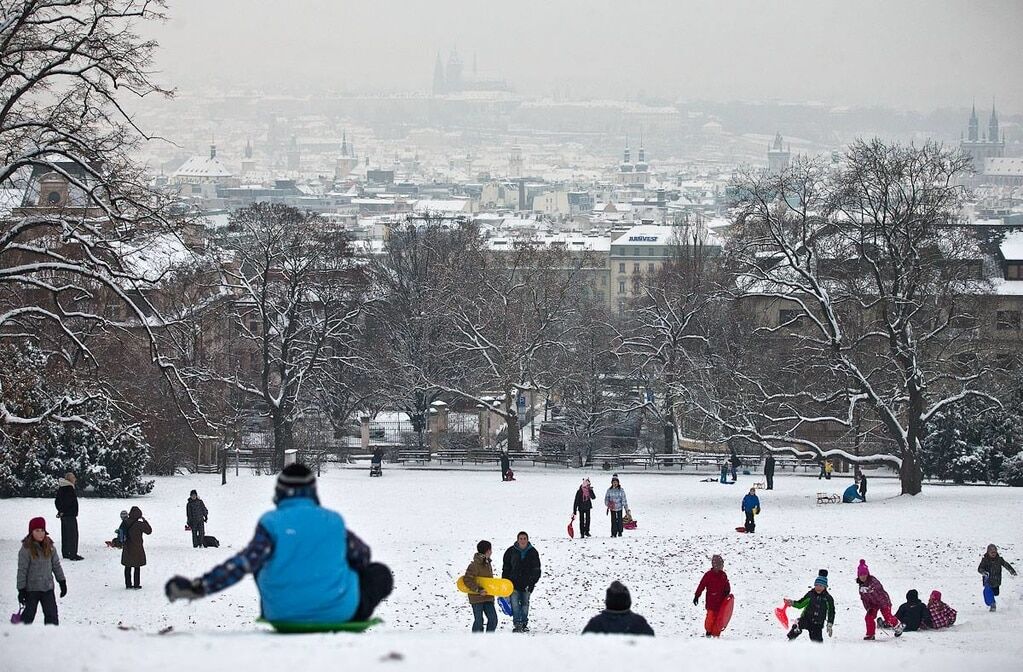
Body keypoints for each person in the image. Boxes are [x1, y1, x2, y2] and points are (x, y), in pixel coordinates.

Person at [165, 464, 393, 630]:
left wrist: (200, 586)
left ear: (280, 493)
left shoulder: (271, 523)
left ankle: (291, 597)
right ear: (313, 492)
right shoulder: (333, 521)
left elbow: (242, 564)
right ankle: (331, 601)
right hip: (341, 612)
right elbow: (362, 556)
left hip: (283, 612)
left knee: (261, 559)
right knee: (378, 572)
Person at [16, 517, 67, 625]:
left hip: (47, 588)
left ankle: (50, 638)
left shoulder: (50, 547)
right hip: (31, 589)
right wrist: (21, 589)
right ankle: (20, 636)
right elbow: (22, 570)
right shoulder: (26, 549)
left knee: (52, 616)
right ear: (31, 532)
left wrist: (62, 582)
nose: (40, 534)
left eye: (42, 530)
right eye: (37, 531)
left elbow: (56, 566)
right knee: (28, 616)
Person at [502, 531, 542, 633]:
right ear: (517, 539)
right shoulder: (510, 551)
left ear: (527, 540)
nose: (523, 540)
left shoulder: (533, 552)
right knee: (515, 604)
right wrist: (505, 582)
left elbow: (537, 569)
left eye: (524, 538)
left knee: (525, 605)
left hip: (526, 584)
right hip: (513, 584)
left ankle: (524, 623)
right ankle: (517, 623)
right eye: (521, 538)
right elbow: (506, 568)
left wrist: (532, 582)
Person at [582, 581, 654, 636]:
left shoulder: (596, 624)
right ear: (628, 601)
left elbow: (583, 648)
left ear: (608, 601)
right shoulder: (639, 623)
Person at [856, 559, 902, 639]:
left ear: (867, 574)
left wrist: (870, 588)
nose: (863, 577)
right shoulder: (861, 587)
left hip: (883, 602)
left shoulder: (873, 581)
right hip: (873, 604)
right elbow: (864, 599)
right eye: (861, 575)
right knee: (869, 617)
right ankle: (870, 634)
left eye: (864, 574)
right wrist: (868, 608)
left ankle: (898, 626)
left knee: (887, 617)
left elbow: (878, 587)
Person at [785, 570, 835, 642]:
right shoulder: (810, 594)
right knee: (798, 625)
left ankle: (819, 651)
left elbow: (831, 612)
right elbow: (800, 604)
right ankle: (789, 641)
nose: (818, 587)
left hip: (818, 623)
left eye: (821, 586)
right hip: (806, 619)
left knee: (817, 642)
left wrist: (830, 623)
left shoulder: (828, 598)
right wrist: (792, 603)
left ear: (825, 586)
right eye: (816, 585)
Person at [465, 540, 498, 633]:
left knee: (493, 619)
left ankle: (488, 641)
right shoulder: (474, 565)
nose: (491, 552)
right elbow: (467, 579)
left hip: (488, 597)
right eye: (490, 549)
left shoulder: (488, 563)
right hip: (476, 598)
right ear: (487, 551)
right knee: (479, 622)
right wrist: (478, 590)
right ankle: (476, 642)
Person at [693, 554, 731, 637]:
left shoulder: (723, 575)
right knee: (710, 618)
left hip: (720, 603)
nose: (721, 567)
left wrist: (727, 594)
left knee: (719, 620)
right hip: (711, 602)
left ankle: (716, 635)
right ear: (715, 565)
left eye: (722, 565)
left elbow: (727, 586)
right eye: (720, 565)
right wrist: (697, 595)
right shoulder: (708, 575)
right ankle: (708, 632)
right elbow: (701, 585)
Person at [978, 543, 1017, 612]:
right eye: (991, 552)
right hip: (988, 580)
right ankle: (992, 605)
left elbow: (1006, 565)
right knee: (987, 591)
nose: (993, 554)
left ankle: (992, 601)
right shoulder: (985, 560)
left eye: (994, 552)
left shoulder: (999, 560)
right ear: (988, 552)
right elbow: (980, 568)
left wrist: (1012, 571)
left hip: (996, 581)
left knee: (996, 593)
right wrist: (984, 572)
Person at [54, 472, 82, 561]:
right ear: (69, 479)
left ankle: (66, 552)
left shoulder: (62, 488)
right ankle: (73, 554)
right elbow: (68, 502)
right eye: (73, 477)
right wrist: (63, 510)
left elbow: (57, 501)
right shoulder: (69, 488)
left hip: (64, 515)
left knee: (65, 534)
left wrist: (60, 511)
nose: (75, 479)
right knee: (72, 535)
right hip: (70, 515)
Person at [122, 506, 152, 589]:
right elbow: (149, 531)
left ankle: (128, 584)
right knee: (136, 567)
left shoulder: (125, 522)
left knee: (127, 566)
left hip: (127, 547)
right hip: (137, 548)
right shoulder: (139, 524)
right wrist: (145, 521)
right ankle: (136, 584)